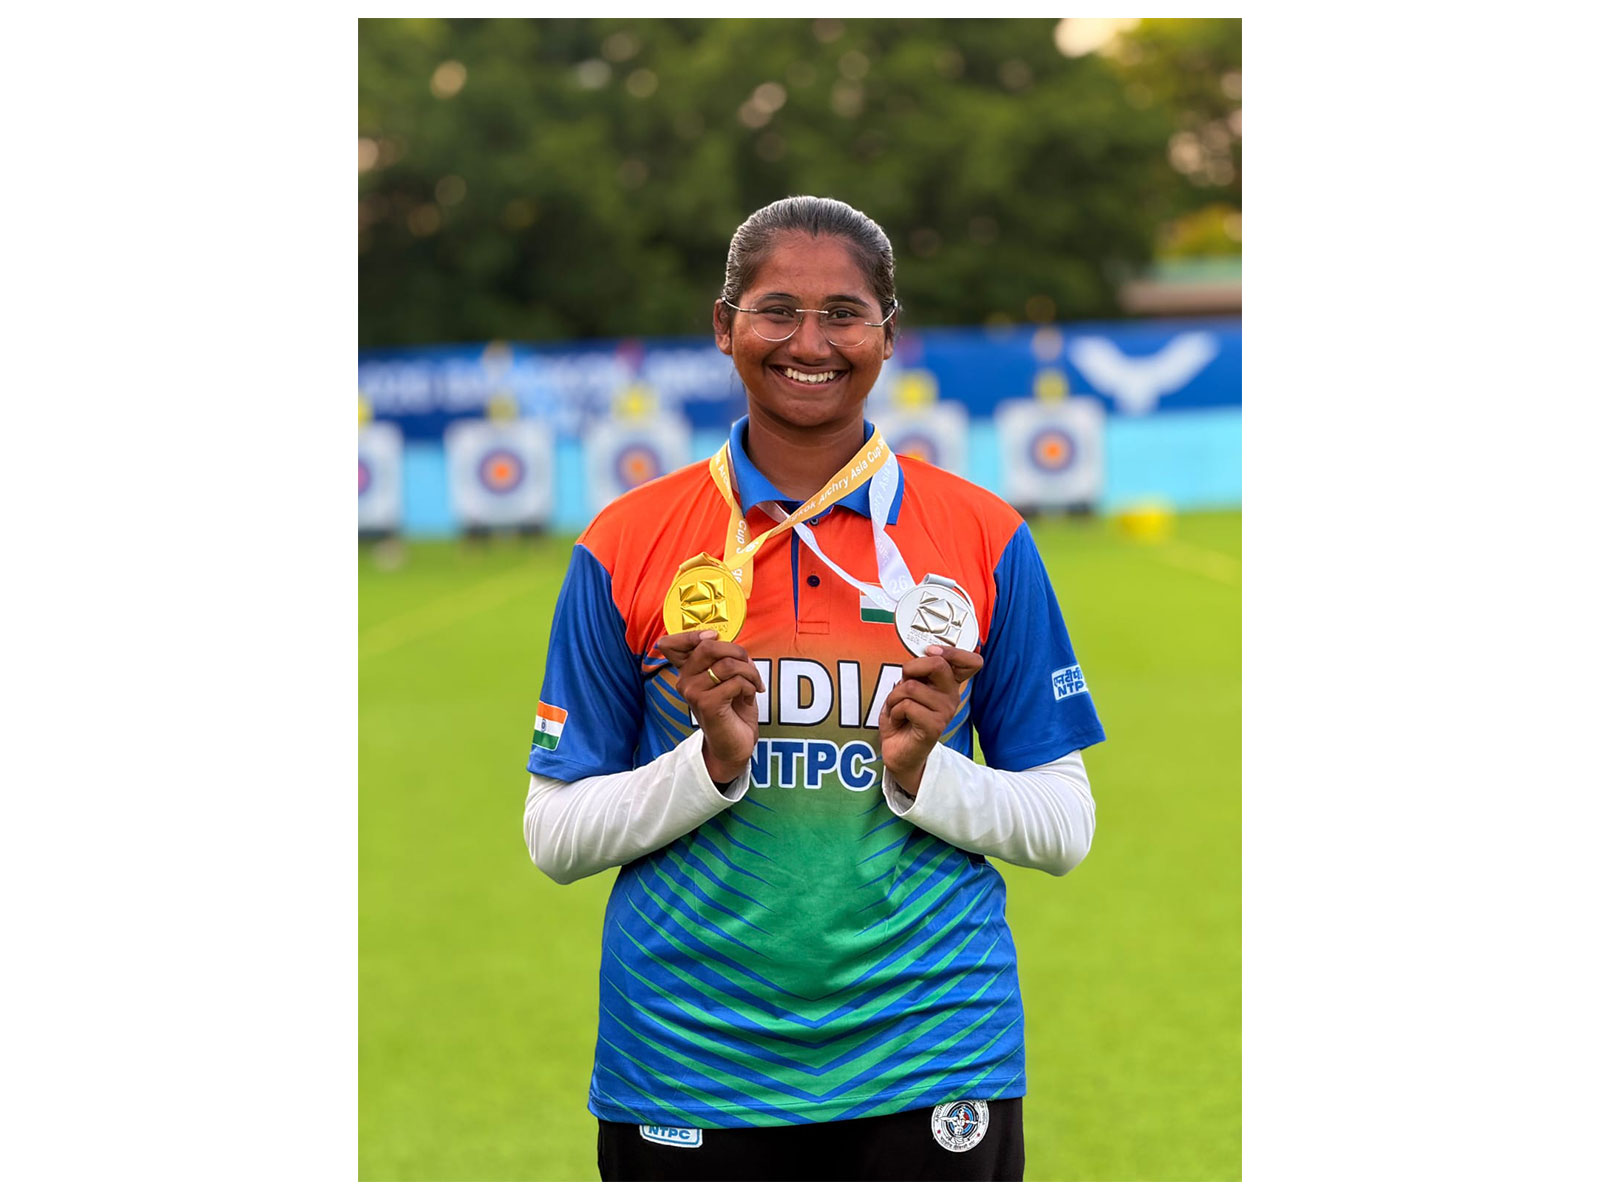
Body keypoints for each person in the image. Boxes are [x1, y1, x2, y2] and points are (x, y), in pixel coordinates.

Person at [523, 196, 1105, 1182]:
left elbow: (1064, 826)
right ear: (724, 327)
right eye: (775, 309)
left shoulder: (981, 536)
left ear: (887, 335)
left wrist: (928, 776)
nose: (809, 341)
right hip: (684, 1055)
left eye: (843, 312)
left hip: (929, 1052)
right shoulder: (627, 542)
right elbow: (554, 838)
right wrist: (705, 763)